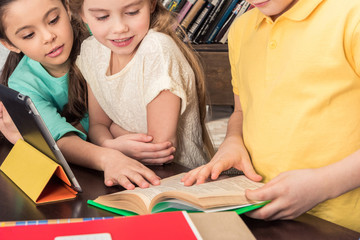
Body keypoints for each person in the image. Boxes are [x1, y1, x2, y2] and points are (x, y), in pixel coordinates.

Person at [182, 0, 360, 232]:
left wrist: (324, 185)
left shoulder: (351, 15)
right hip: (263, 216)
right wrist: (232, 141)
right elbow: (242, 110)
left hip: (344, 226)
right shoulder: (241, 28)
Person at [0, 0, 177, 190]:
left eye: (53, 20)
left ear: (68, 9)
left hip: (148, 145)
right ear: (10, 44)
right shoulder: (22, 83)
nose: (48, 36)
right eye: (29, 35)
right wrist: (108, 154)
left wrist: (105, 135)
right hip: (101, 165)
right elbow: (58, 141)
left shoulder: (103, 34)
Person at [69, 0, 214, 169]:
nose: (119, 28)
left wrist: (114, 130)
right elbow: (98, 125)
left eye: (132, 12)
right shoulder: (91, 51)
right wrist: (110, 145)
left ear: (151, 4)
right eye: (102, 17)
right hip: (128, 169)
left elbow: (161, 150)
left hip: (178, 176)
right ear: (82, 14)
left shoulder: (156, 49)